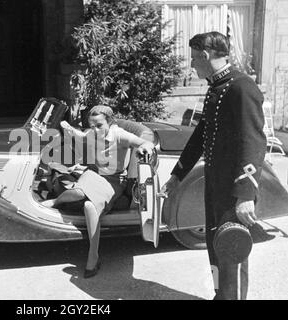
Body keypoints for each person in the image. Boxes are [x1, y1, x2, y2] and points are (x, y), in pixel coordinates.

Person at [160, 32, 266, 300]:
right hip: (216, 186)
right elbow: (201, 135)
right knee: (215, 247)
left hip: (232, 190)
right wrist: (177, 174)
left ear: (206, 55)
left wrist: (245, 196)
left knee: (233, 250)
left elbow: (253, 142)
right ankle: (222, 295)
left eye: (194, 58)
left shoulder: (241, 87)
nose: (192, 65)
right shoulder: (217, 87)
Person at [43, 105, 154, 278]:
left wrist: (143, 148)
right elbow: (82, 135)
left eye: (99, 125)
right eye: (92, 125)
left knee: (88, 205)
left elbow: (145, 142)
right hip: (94, 172)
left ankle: (93, 256)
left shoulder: (119, 134)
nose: (95, 129)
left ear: (110, 122)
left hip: (115, 180)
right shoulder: (93, 133)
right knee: (78, 193)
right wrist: (68, 128)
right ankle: (57, 201)